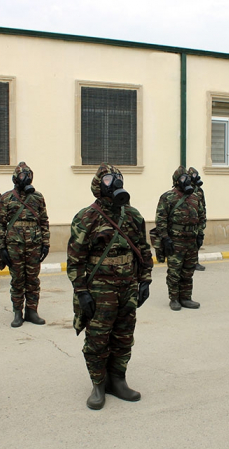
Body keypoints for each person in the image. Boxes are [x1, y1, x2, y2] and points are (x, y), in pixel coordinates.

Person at [67, 163, 153, 410]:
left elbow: (143, 250)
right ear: (97, 184)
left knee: (124, 336)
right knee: (97, 338)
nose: (114, 182)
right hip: (99, 290)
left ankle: (118, 380)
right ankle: (98, 384)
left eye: (117, 177)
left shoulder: (133, 215)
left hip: (127, 287)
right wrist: (81, 292)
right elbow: (75, 259)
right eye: (107, 179)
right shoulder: (87, 217)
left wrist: (145, 279)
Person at [0, 162, 50, 328]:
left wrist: (45, 244)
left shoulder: (37, 197)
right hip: (14, 246)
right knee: (18, 279)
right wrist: (1, 248)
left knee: (33, 279)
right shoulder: (6, 198)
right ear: (15, 178)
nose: (25, 178)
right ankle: (18, 312)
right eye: (22, 176)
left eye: (28, 175)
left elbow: (44, 221)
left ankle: (32, 311)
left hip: (34, 245)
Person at [155, 166, 205, 311]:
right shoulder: (167, 197)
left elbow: (201, 217)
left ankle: (186, 297)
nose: (186, 181)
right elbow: (160, 220)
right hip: (175, 241)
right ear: (176, 181)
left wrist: (200, 234)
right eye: (183, 179)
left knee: (188, 271)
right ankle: (174, 299)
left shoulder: (195, 197)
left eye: (188, 178)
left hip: (191, 241)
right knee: (174, 271)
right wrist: (165, 238)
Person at [188, 167, 207, 272]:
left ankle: (195, 261)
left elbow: (203, 206)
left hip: (198, 220)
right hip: (189, 220)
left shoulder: (199, 191)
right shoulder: (186, 189)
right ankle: (191, 262)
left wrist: (203, 220)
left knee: (198, 241)